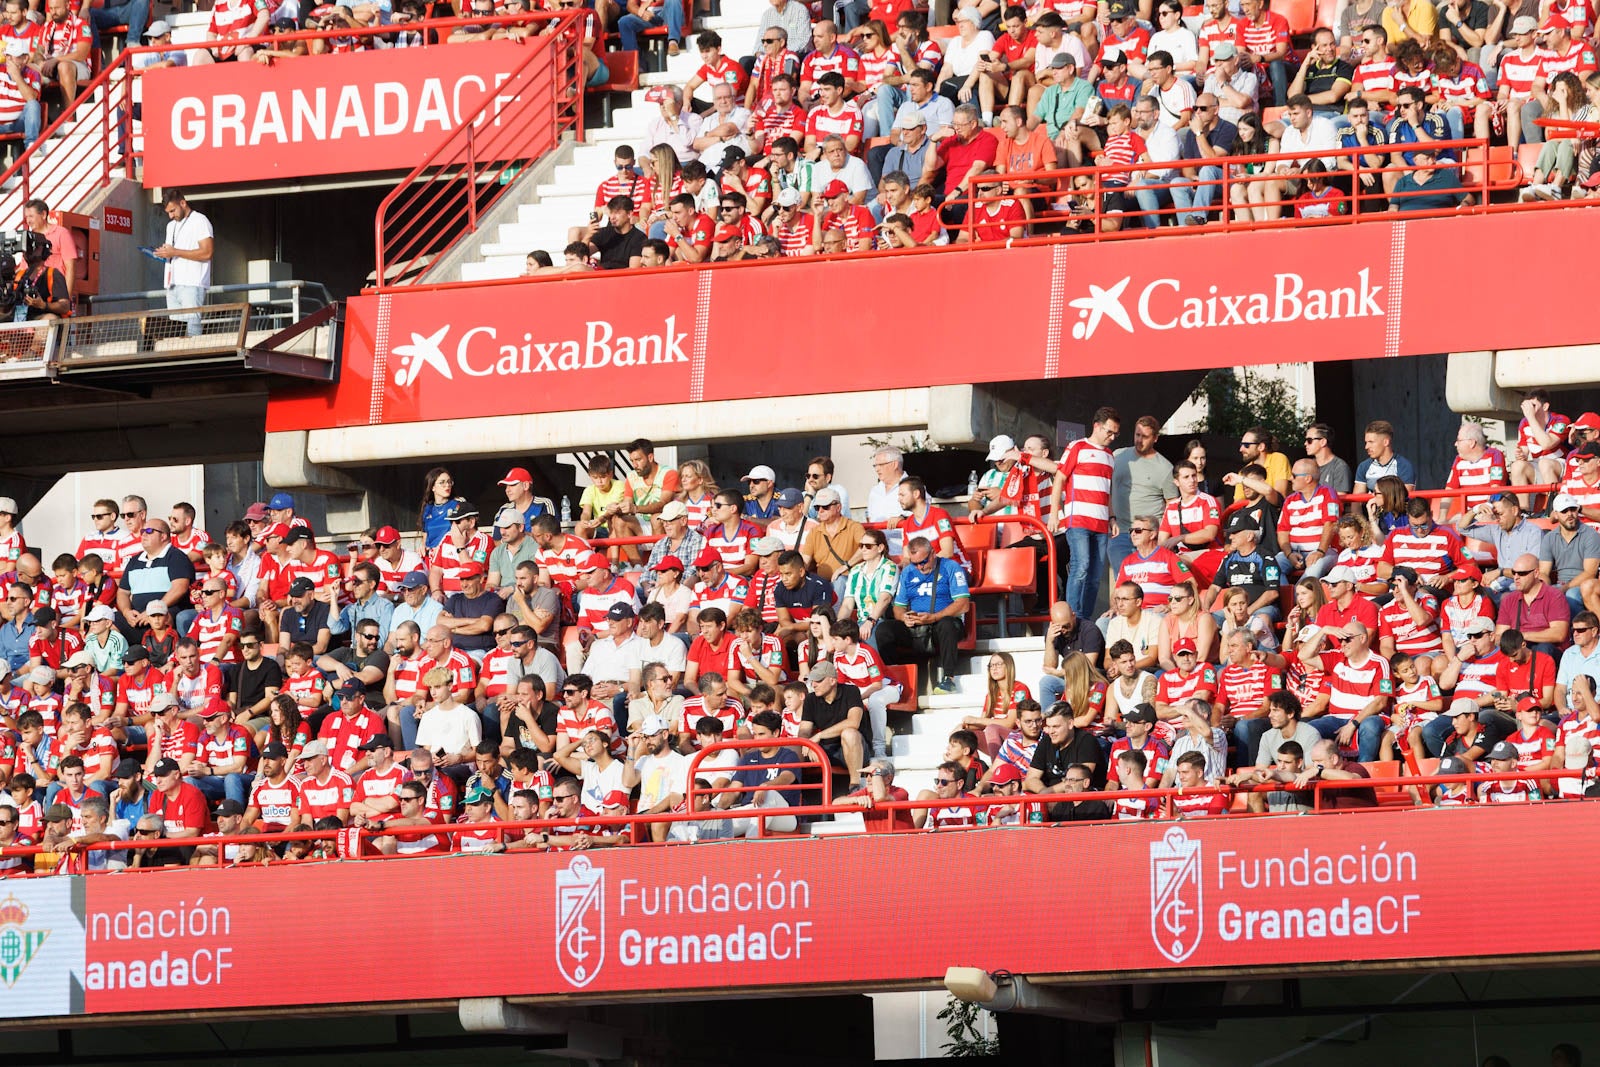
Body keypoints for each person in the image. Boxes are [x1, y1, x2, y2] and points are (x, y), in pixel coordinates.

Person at [876, 536, 970, 693]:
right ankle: (893, 679)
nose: (920, 567)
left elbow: (963, 604)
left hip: (942, 622)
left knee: (946, 624)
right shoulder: (907, 572)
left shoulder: (950, 567)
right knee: (884, 629)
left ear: (933, 554)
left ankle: (949, 679)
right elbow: (899, 607)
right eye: (915, 563)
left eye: (923, 561)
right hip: (917, 625)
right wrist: (904, 618)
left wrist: (934, 617)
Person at [154, 190, 214, 339]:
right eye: (168, 212)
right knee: (176, 335)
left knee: (192, 332)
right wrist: (163, 253)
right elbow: (173, 252)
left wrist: (174, 252)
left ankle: (195, 362)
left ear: (183, 203)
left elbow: (207, 252)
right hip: (172, 284)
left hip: (192, 284)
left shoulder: (200, 221)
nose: (170, 215)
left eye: (173, 210)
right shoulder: (170, 226)